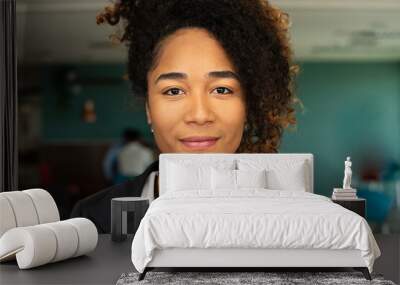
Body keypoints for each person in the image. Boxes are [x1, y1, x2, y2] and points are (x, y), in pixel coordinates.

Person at [70, 0, 300, 233]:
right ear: (149, 109)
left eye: (222, 89)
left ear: (248, 106)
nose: (199, 116)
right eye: (174, 91)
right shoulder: (93, 220)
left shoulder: (292, 222)